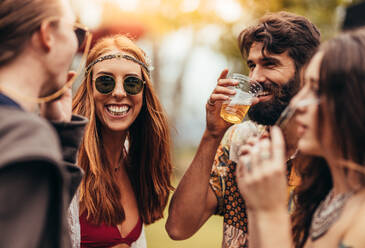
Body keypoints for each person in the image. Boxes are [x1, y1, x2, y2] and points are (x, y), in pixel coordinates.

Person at [166, 11, 320, 247]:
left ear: (306, 71)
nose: (255, 77)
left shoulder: (328, 153)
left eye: (270, 64)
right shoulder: (241, 139)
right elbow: (179, 227)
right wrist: (213, 134)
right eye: (251, 65)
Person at [236, 27, 365, 248]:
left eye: (316, 90)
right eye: (304, 87)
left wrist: (271, 212)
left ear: (358, 104)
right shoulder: (325, 196)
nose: (298, 103)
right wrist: (256, 206)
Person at [0, 0, 89, 247]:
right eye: (75, 30)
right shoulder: (24, 137)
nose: (78, 44)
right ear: (47, 34)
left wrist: (59, 138)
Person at [72, 34, 173, 248]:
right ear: (89, 88)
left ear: (144, 92)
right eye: (105, 82)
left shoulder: (136, 160)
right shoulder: (68, 162)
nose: (119, 92)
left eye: (132, 83)